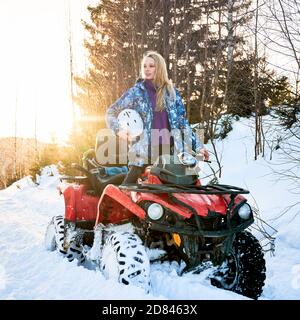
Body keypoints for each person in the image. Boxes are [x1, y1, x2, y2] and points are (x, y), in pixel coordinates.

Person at [105, 50, 209, 184]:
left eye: (151, 66)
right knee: (127, 191)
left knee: (175, 195)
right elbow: (111, 112)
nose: (147, 69)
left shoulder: (172, 93)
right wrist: (118, 129)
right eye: (145, 66)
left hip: (170, 155)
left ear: (159, 68)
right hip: (143, 155)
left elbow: (183, 124)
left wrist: (199, 146)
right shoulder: (136, 93)